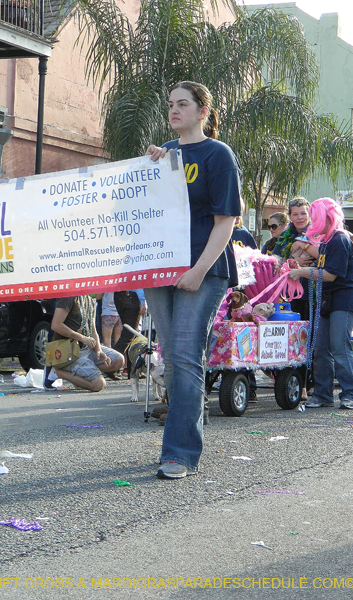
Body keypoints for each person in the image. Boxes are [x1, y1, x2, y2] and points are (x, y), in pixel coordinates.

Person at [145, 81, 240, 480]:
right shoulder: (162, 155)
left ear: (203, 111)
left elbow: (226, 221)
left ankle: (179, 453)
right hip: (159, 269)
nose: (174, 110)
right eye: (170, 104)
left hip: (202, 270)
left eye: (183, 104)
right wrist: (146, 168)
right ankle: (177, 442)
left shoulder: (218, 154)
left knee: (185, 357)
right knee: (171, 358)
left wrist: (199, 270)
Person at [288, 198, 353, 410]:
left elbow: (330, 275)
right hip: (327, 300)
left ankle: (350, 394)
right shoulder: (327, 240)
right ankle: (322, 394)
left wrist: (302, 272)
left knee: (339, 346)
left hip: (344, 299)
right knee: (320, 348)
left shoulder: (340, 239)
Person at [50, 295, 125, 392]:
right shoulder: (68, 297)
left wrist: (98, 351)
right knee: (98, 385)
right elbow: (56, 325)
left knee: (119, 360)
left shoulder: (89, 300)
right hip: (70, 350)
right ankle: (57, 372)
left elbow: (93, 330)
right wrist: (82, 338)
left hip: (87, 348)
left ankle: (81, 377)